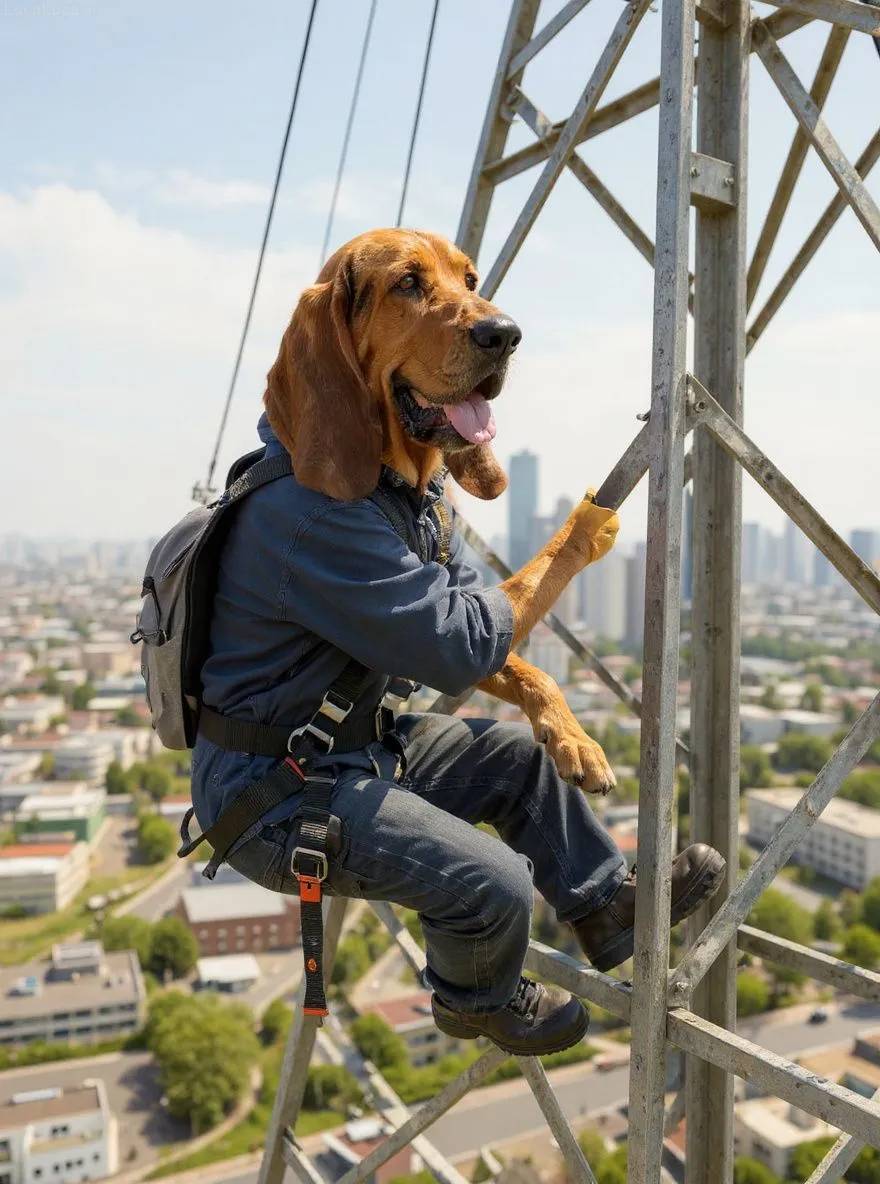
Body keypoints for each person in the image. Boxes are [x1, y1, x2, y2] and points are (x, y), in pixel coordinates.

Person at [189, 228, 725, 1056]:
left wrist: (545, 702)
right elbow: (464, 644)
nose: (482, 319)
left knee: (516, 761)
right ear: (339, 342)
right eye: (411, 287)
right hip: (274, 791)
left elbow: (463, 622)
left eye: (467, 283)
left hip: (355, 745)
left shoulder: (402, 492)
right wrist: (568, 549)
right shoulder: (309, 515)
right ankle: (474, 996)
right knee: (492, 884)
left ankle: (605, 904)